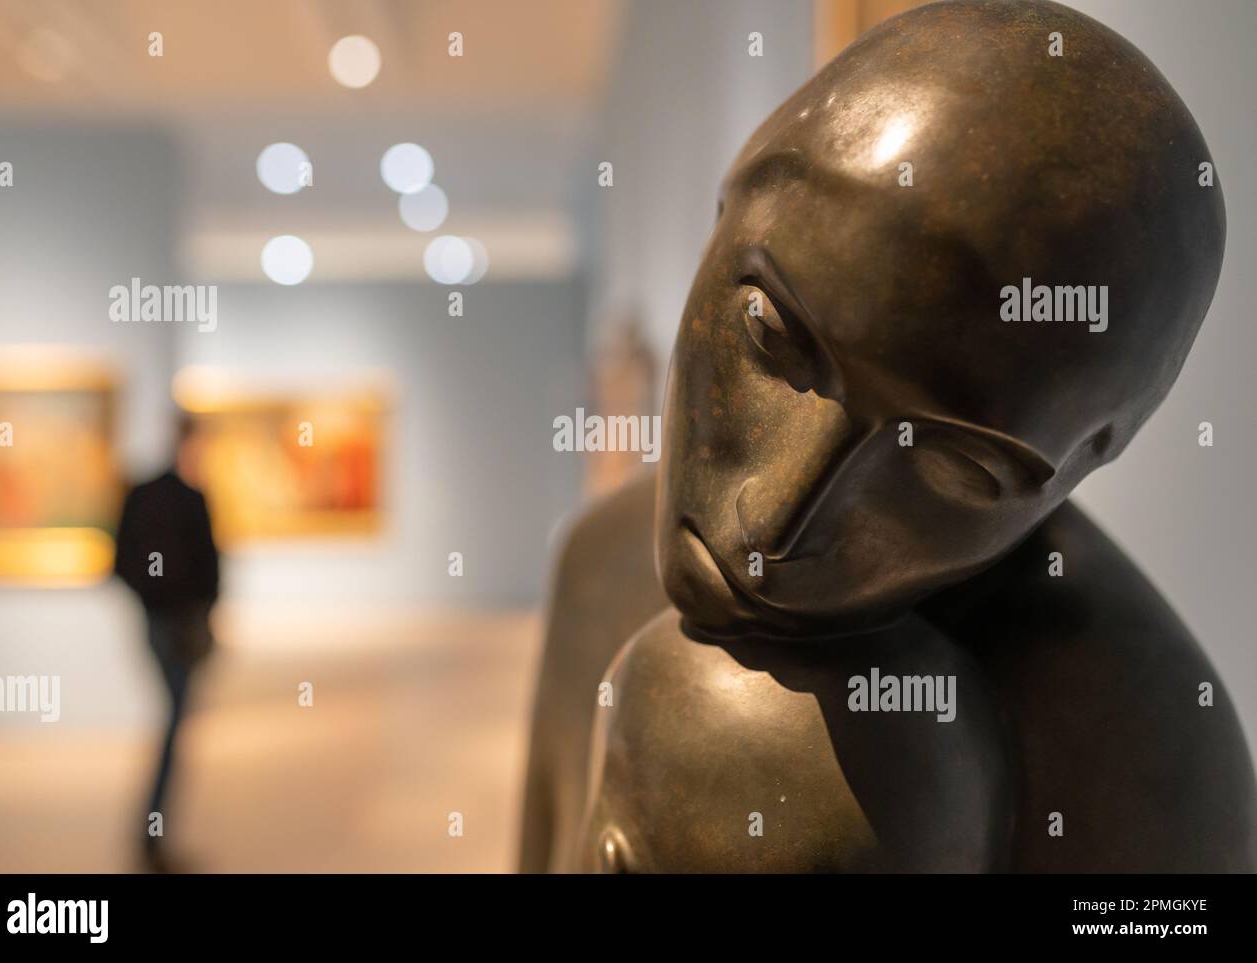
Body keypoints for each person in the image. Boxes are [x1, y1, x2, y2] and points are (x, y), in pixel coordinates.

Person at [522, 0, 1256, 872]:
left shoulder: (1150, 766)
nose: (777, 524)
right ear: (728, 211)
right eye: (771, 335)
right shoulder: (600, 560)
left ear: (1072, 476)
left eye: (953, 467)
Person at [113, 414, 219, 873]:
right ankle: (152, 834)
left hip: (168, 624)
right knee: (174, 728)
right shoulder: (183, 499)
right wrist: (181, 605)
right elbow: (211, 572)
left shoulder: (149, 495)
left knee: (174, 726)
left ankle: (153, 833)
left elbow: (120, 562)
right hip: (172, 626)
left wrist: (160, 602)